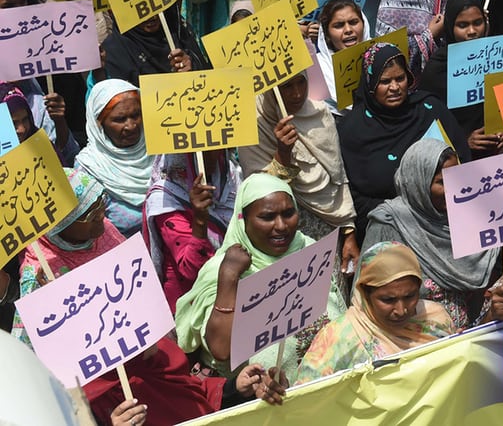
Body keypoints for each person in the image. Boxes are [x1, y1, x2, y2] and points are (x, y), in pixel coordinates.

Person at [14, 169, 222, 426]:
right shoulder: (39, 275)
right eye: (89, 213)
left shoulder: (104, 232)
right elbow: (40, 360)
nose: (102, 214)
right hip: (99, 385)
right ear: (62, 225)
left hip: (145, 357)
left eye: (101, 201)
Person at [175, 174, 347, 378]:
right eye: (267, 217)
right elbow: (220, 349)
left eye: (288, 213)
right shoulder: (222, 270)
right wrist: (229, 277)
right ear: (243, 219)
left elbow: (341, 315)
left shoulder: (308, 249)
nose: (281, 225)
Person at [339, 44, 470, 243]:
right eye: (384, 81)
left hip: (447, 223)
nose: (395, 87)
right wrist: (404, 213)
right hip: (390, 232)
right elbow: (352, 196)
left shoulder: (430, 109)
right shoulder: (353, 130)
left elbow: (463, 162)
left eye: (400, 78)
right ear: (370, 83)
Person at [363, 140, 499, 329]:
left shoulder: (468, 218)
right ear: (418, 180)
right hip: (409, 342)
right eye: (442, 182)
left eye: (456, 179)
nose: (453, 189)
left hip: (467, 337)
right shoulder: (389, 223)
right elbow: (369, 295)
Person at [237, 72, 359, 270]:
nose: (297, 94)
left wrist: (348, 231)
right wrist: (283, 153)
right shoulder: (254, 126)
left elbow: (338, 176)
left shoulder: (320, 114)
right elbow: (257, 194)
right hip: (278, 239)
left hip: (329, 232)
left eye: (301, 82)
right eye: (286, 86)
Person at [296, 241, 455, 382]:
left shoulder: (436, 320)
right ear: (365, 293)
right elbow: (308, 398)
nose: (401, 310)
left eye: (410, 296)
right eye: (388, 300)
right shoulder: (338, 338)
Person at [144, 150, 240, 313]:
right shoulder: (165, 201)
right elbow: (191, 270)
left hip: (232, 293)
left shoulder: (229, 177)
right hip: (192, 305)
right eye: (197, 151)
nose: (209, 156)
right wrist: (200, 220)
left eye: (213, 148)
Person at [419, 0, 503, 151]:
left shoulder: (501, 56)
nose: (472, 31)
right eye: (463, 25)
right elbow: (429, 124)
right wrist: (464, 140)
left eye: (477, 22)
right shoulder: (437, 69)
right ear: (450, 27)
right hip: (460, 158)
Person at [74, 79, 154, 236]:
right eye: (120, 119)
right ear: (99, 123)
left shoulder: (161, 151)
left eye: (136, 115)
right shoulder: (88, 169)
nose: (131, 126)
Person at [102, 5, 204, 86]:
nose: (152, 17)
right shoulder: (113, 51)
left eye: (154, 5)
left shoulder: (177, 29)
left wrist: (191, 68)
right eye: (139, 8)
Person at [315, 0, 371, 115]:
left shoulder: (382, 55)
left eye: (354, 22)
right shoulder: (317, 70)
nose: (348, 30)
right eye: (339, 25)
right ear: (327, 34)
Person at [0, 83, 77, 166]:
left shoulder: (42, 148)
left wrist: (59, 121)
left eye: (25, 119)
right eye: (13, 123)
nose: (22, 129)